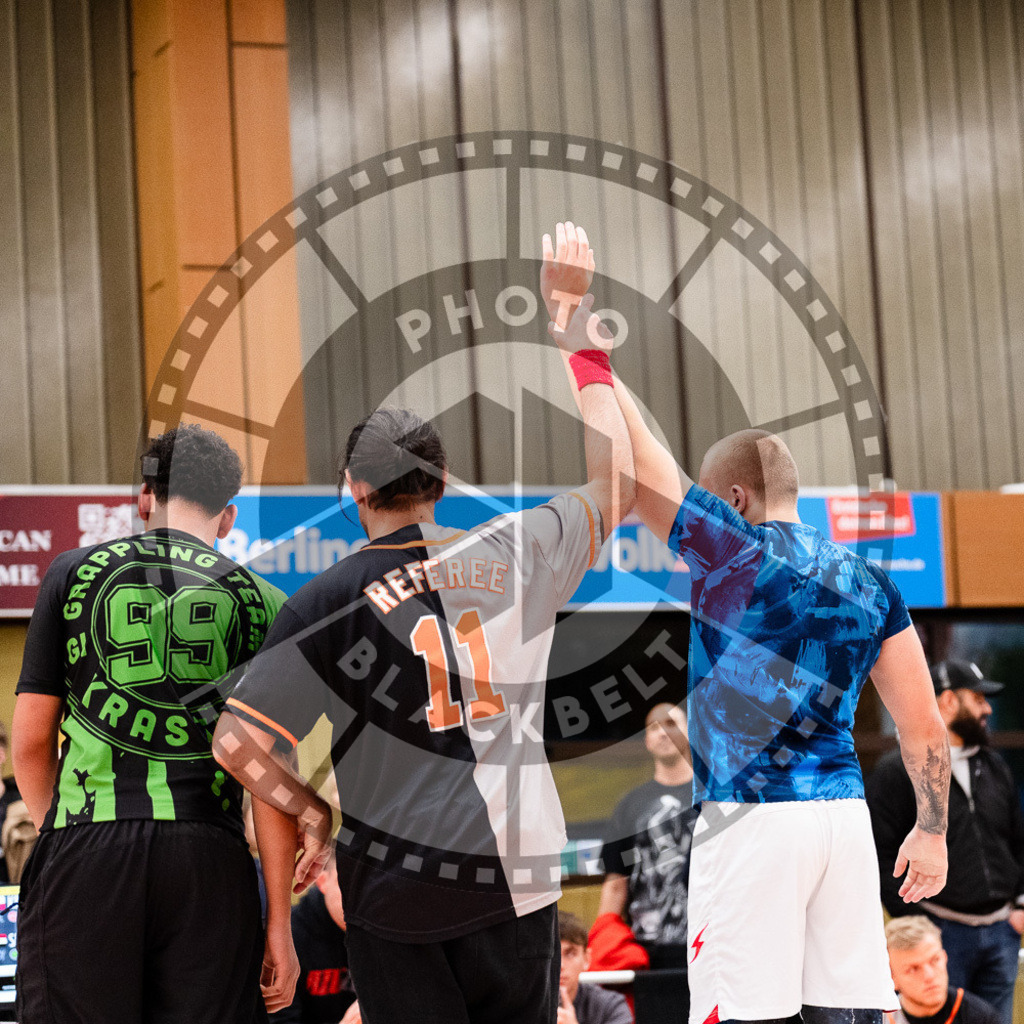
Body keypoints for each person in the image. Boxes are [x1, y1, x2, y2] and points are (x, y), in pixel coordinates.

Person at [212, 224, 635, 1024]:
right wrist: (573, 322)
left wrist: (311, 811)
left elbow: (237, 743)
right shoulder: (519, 549)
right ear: (440, 480)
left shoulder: (323, 600)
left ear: (351, 488)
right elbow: (615, 481)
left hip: (394, 894)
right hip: (517, 881)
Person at [540, 243, 952, 1024]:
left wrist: (576, 337)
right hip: (843, 820)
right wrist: (931, 833)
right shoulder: (873, 583)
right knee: (858, 1016)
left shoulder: (732, 553)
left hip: (751, 816)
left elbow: (641, 460)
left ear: (733, 495)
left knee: (736, 1014)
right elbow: (923, 726)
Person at [11, 424, 295, 1024]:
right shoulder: (267, 601)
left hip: (88, 845)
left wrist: (62, 832)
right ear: (228, 516)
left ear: (146, 496)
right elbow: (271, 783)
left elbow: (32, 741)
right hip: (209, 859)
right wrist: (279, 925)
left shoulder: (70, 572)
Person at [867, 660, 1024, 1024]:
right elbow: (881, 855)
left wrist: (1019, 904)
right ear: (949, 701)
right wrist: (922, 925)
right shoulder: (895, 772)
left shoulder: (995, 766)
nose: (987, 708)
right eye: (978, 698)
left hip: (1002, 933)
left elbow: (1017, 839)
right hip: (941, 939)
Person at [598, 702, 698, 974]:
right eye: (654, 727)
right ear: (647, 741)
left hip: (707, 941)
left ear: (691, 733)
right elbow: (615, 882)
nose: (663, 733)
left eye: (671, 724)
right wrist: (602, 945)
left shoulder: (711, 798)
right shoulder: (630, 805)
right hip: (645, 949)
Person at [270, 866, 356, 1023]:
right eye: (347, 884)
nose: (359, 899)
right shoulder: (287, 938)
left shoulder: (398, 930)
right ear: (322, 881)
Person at [884, 916, 1001, 1024]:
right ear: (891, 978)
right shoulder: (878, 1018)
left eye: (935, 960)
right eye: (913, 969)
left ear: (945, 957)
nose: (929, 976)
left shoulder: (981, 1017)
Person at [558, 911, 633, 1024]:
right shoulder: (524, 1003)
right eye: (553, 957)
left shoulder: (611, 1006)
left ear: (586, 959)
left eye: (570, 953)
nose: (561, 965)